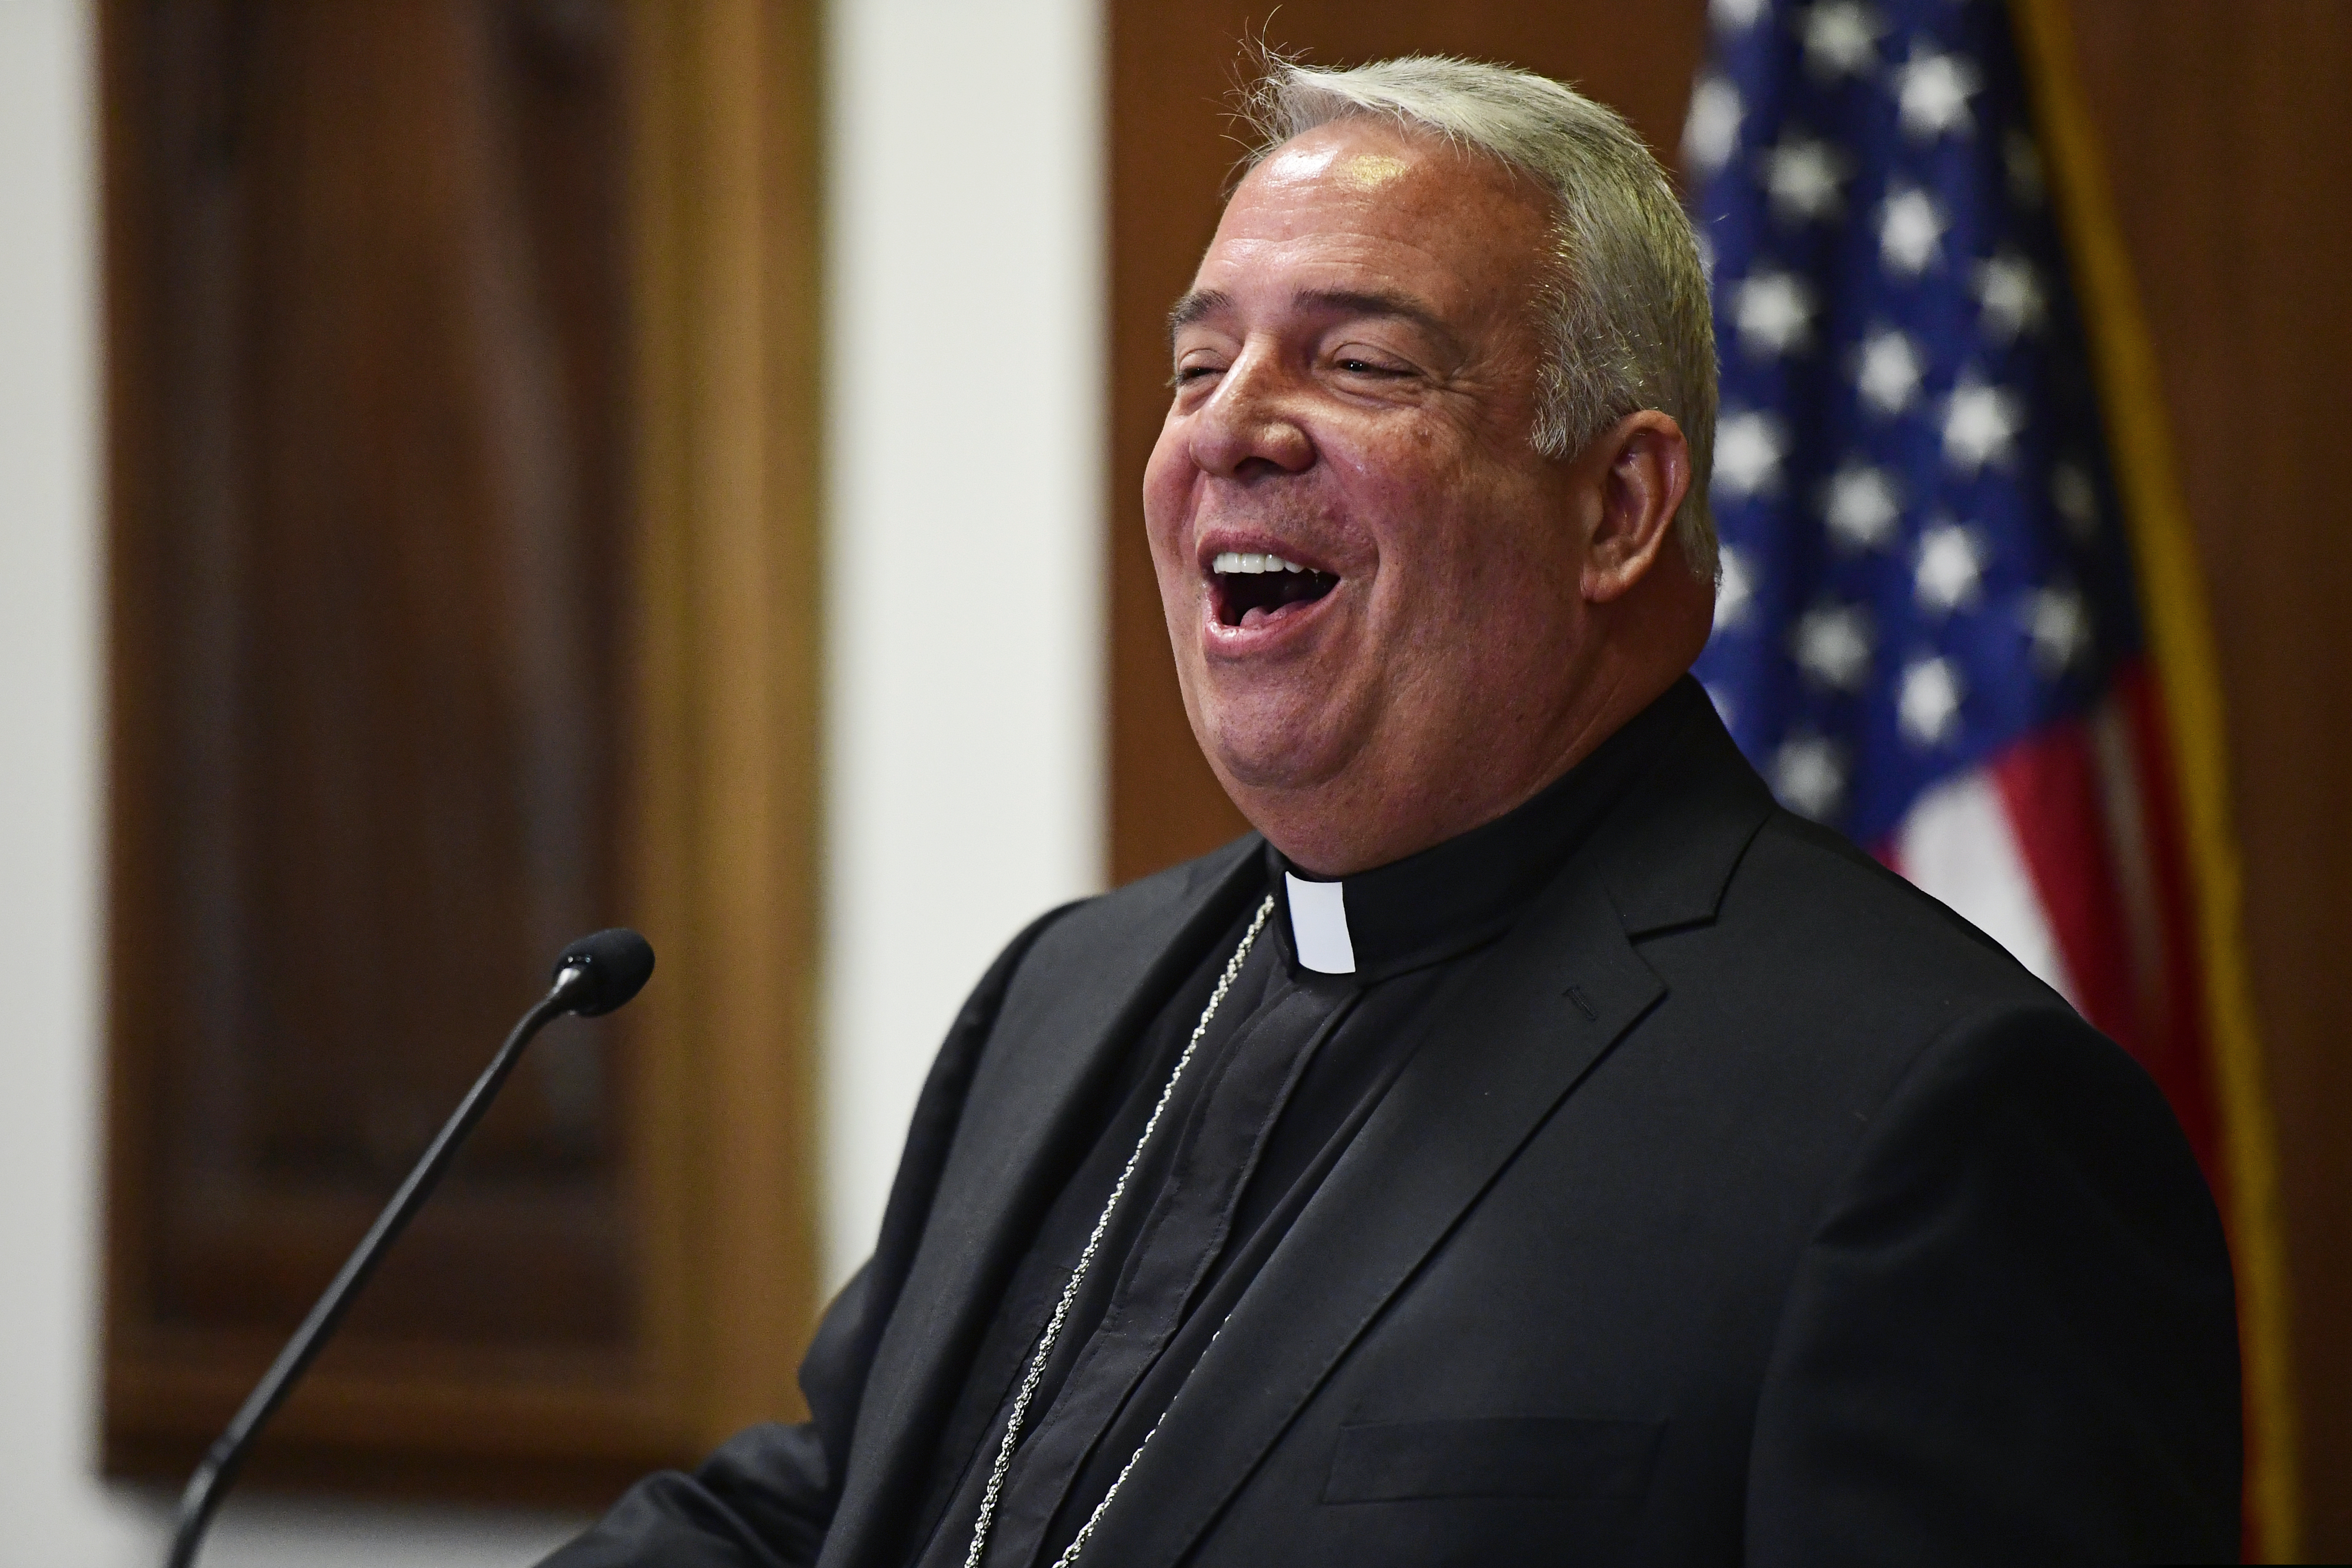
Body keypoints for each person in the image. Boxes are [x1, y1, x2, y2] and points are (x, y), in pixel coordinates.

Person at [546, 55, 2238, 1567]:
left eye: (1358, 362)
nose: (1230, 431)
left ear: (1619, 507)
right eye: (1197, 367)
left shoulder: (1934, 1124)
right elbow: (838, 1502)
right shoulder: (1064, 995)